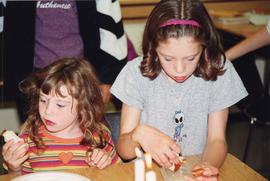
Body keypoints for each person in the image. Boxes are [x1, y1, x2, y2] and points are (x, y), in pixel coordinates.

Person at [111, 0, 247, 180]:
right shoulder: (136, 73)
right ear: (153, 47)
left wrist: (207, 166)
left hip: (192, 168)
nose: (180, 69)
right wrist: (139, 134)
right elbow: (124, 150)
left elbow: (216, 140)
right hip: (145, 173)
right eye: (167, 58)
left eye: (191, 58)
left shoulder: (218, 70)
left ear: (204, 47)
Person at [0, 0, 127, 121]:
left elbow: (112, 28)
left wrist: (108, 79)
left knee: (83, 132)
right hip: (33, 80)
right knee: (36, 133)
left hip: (81, 78)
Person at [2, 58, 120, 174]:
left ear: (84, 107)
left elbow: (120, 174)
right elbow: (19, 178)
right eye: (43, 100)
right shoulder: (29, 140)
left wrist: (105, 165)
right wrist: (14, 168)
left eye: (60, 105)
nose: (47, 111)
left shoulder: (100, 139)